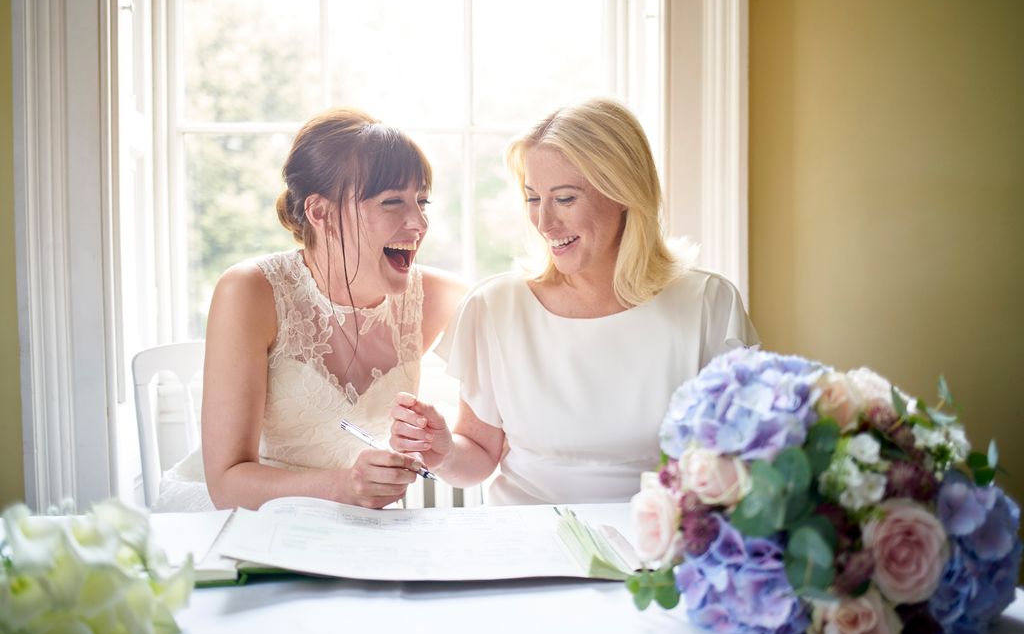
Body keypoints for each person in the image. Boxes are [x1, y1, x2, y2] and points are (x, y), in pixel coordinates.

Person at [389, 97, 758, 505]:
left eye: (564, 199)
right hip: (524, 551)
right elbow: (478, 455)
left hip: (654, 553)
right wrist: (441, 451)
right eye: (533, 198)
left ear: (623, 194)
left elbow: (740, 464)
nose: (544, 222)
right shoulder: (495, 306)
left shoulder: (708, 304)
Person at [153, 108, 465, 511]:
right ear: (321, 213)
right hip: (242, 518)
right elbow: (227, 482)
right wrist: (344, 488)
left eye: (422, 201)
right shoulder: (250, 291)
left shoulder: (440, 297)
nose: (419, 222)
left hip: (350, 526)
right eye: (392, 202)